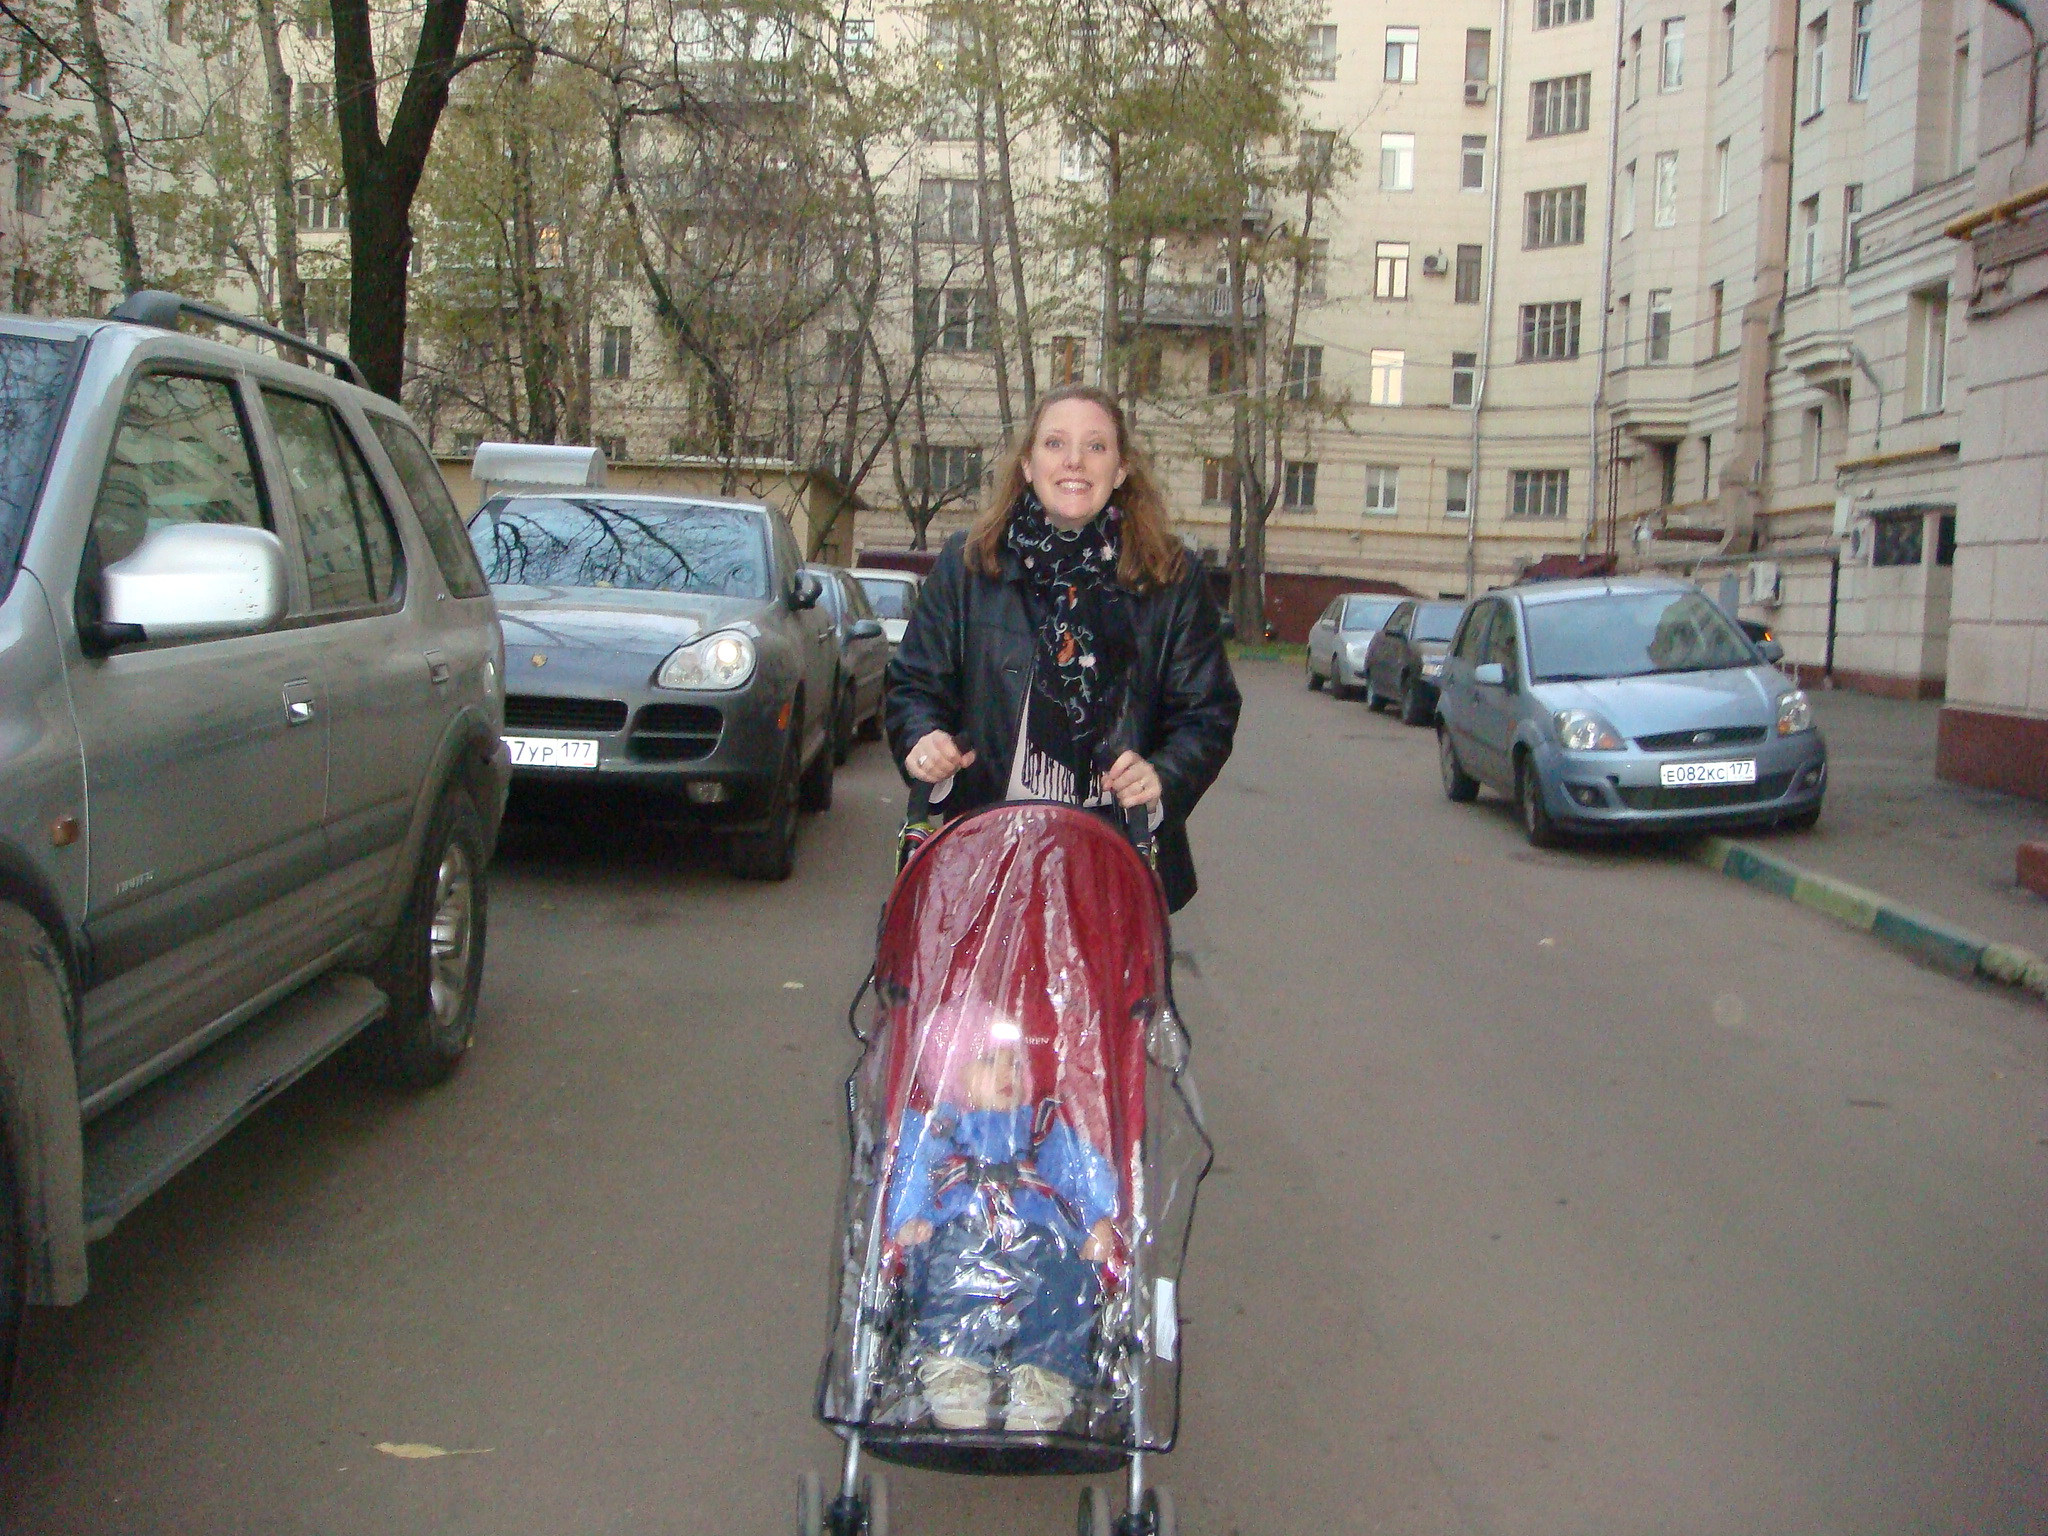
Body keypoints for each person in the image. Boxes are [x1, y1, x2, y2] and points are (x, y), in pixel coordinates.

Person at [884, 386, 1240, 912]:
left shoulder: (1171, 577)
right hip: (985, 859)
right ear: (1028, 464)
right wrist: (923, 740)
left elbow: (1207, 712)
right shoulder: (969, 564)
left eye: (1096, 446)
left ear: (1120, 471)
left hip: (1115, 868)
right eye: (1055, 443)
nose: (1074, 460)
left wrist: (1162, 775)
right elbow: (913, 685)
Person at [885, 1009, 1118, 1434]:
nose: (1009, 1072)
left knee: (1063, 1280)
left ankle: (1043, 1379)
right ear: (953, 1073)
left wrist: (1096, 1218)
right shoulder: (940, 1125)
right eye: (990, 1061)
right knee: (948, 1276)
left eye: (1016, 1062)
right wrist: (908, 1217)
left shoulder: (1041, 1125)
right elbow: (913, 1168)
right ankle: (956, 1370)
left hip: (1038, 1231)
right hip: (962, 1227)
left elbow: (1076, 1171)